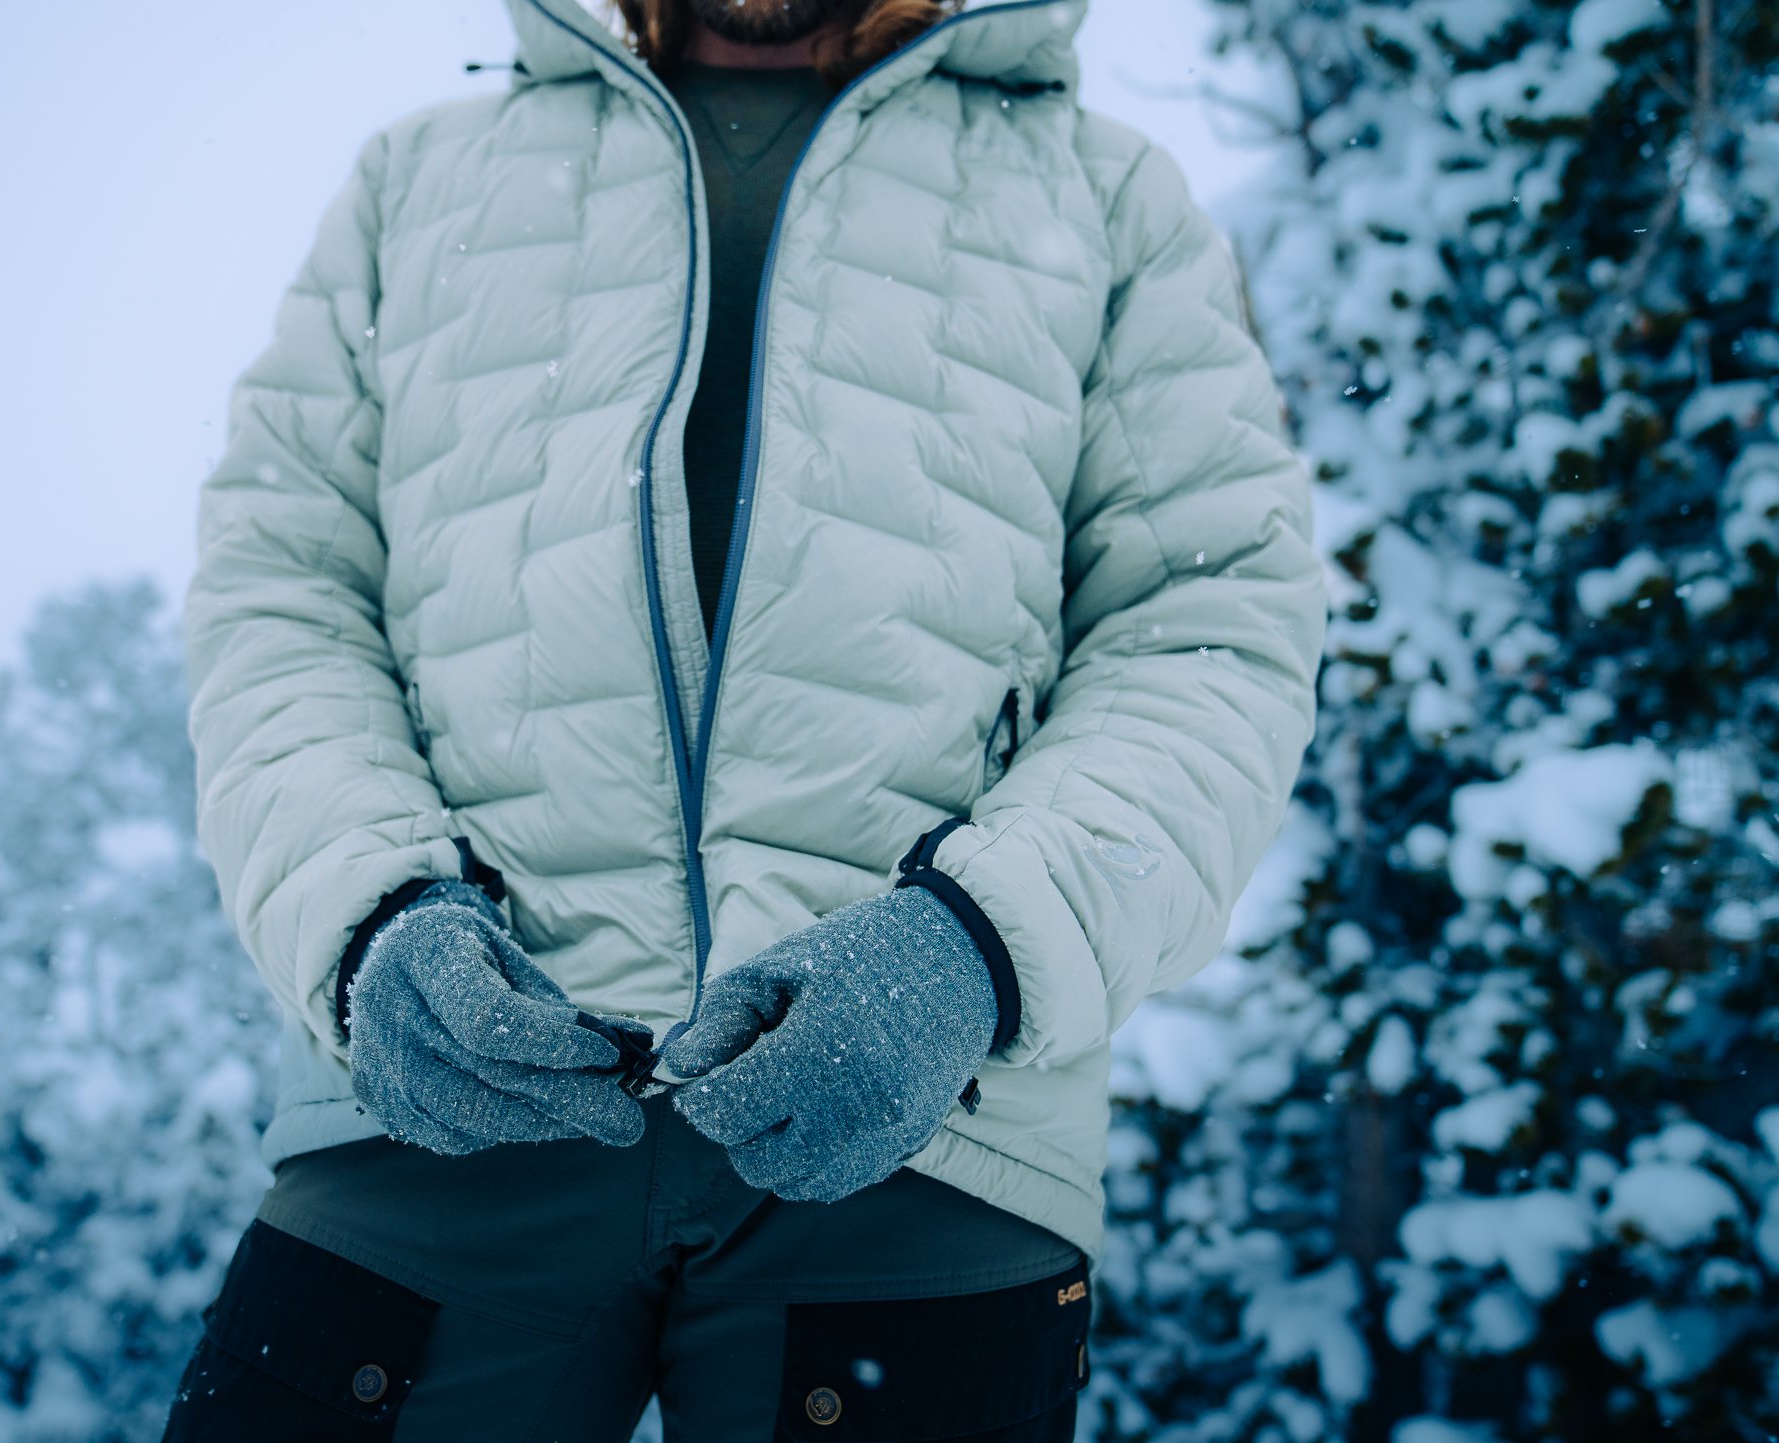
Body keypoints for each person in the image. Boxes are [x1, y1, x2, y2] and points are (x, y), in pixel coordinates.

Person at [163, 0, 1326, 1436]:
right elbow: (280, 595)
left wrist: (973, 951)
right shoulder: (422, 181)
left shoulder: (1104, 191)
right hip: (448, 1105)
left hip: (928, 1122)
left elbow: (1209, 623)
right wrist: (370, 919)